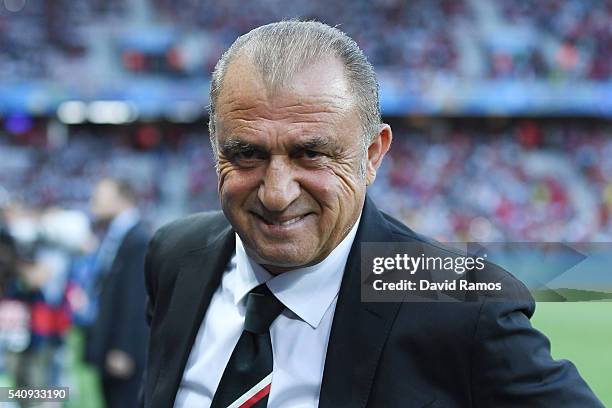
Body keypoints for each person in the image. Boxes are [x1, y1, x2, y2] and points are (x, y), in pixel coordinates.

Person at [140, 21, 603, 407]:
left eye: (312, 154)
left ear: (373, 154)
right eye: (246, 155)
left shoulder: (462, 305)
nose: (276, 194)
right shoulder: (176, 256)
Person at [86, 178, 150, 408]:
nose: (93, 200)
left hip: (121, 353)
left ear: (122, 199)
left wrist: (124, 348)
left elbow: (136, 299)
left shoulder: (137, 240)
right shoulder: (117, 236)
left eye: (100, 195)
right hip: (109, 347)